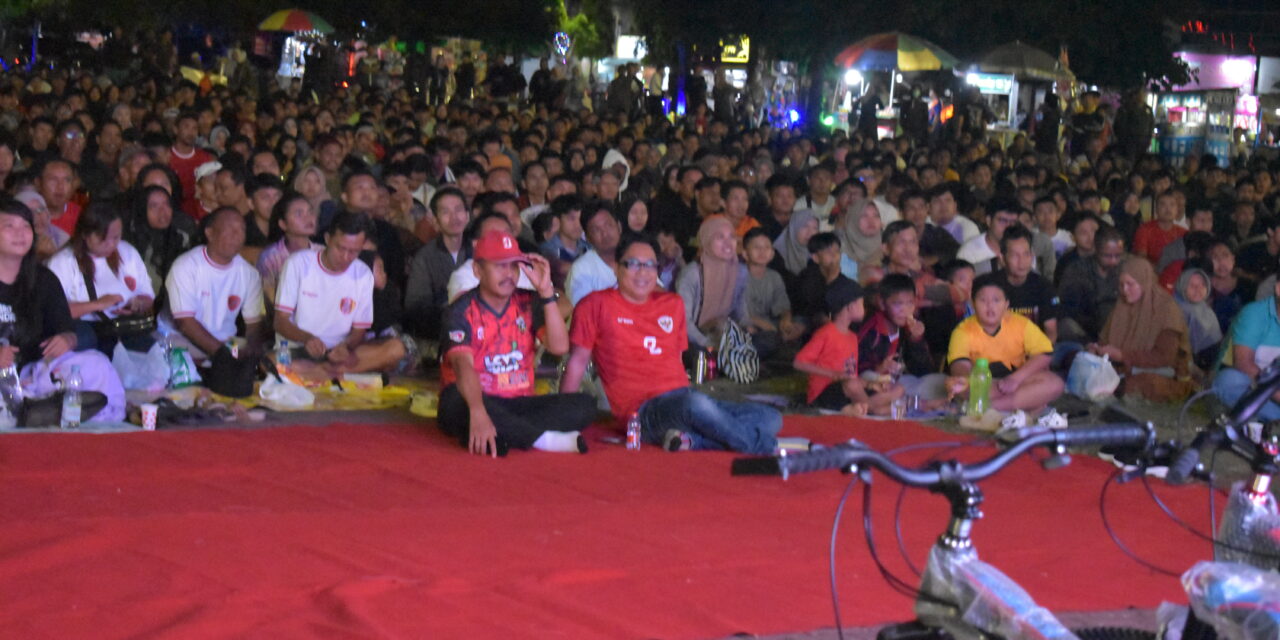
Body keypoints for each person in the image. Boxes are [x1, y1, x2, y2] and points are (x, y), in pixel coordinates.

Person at [562, 235, 782, 454]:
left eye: (650, 265)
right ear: (617, 268)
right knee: (697, 405)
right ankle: (759, 446)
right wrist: (563, 417)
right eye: (633, 264)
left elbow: (675, 359)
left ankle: (690, 441)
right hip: (641, 414)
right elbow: (577, 362)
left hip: (681, 401)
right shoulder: (594, 304)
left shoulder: (672, 304)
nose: (642, 272)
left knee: (771, 418)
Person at [439, 229, 596, 457]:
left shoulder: (528, 302)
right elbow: (463, 367)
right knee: (454, 401)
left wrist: (546, 292)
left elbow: (559, 347)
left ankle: (504, 434)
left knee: (584, 405)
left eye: (513, 266)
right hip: (476, 398)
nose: (509, 274)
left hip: (519, 403)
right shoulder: (460, 310)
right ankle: (543, 440)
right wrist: (478, 411)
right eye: (499, 266)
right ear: (477, 270)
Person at [0, 197, 125, 422]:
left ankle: (98, 429)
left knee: (96, 365)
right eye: (9, 226)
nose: (20, 233)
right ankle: (30, 410)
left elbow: (66, 330)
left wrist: (66, 340)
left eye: (25, 226)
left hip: (34, 373)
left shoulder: (44, 280)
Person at [272, 212, 406, 378]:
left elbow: (359, 330)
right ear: (328, 239)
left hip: (339, 354)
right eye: (340, 248)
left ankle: (322, 372)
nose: (345, 257)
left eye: (354, 251)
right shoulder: (298, 263)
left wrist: (346, 346)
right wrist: (308, 339)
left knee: (396, 349)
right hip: (299, 349)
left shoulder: (363, 273)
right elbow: (280, 321)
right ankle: (333, 374)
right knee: (272, 361)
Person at [47, 202, 155, 356]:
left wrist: (137, 304)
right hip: (85, 328)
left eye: (116, 237)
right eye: (103, 239)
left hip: (122, 326)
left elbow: (148, 296)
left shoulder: (127, 252)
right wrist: (97, 304)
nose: (111, 245)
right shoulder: (63, 262)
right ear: (85, 234)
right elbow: (54, 311)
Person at [946, 274, 1063, 412]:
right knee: (956, 386)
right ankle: (1026, 402)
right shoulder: (963, 330)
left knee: (1055, 383)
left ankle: (988, 407)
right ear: (973, 303)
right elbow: (959, 365)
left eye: (996, 300)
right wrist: (970, 381)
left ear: (1006, 304)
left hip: (1018, 381)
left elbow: (1045, 354)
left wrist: (1014, 379)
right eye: (983, 300)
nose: (990, 306)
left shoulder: (1021, 323)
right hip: (984, 385)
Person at [165, 208, 266, 361]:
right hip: (181, 339)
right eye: (230, 229)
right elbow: (185, 323)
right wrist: (223, 355)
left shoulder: (249, 273)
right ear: (210, 233)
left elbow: (253, 323)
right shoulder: (186, 266)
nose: (237, 235)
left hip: (226, 342)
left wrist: (250, 349)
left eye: (241, 230)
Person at [1088, 257, 1192, 401]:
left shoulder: (1166, 309)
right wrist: (1097, 349)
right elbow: (1105, 339)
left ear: (1144, 282)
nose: (1125, 290)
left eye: (1130, 284)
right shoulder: (1121, 306)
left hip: (1164, 372)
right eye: (1121, 285)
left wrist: (1123, 356)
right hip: (1124, 368)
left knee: (1142, 384)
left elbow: (1165, 357)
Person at [794, 278, 899, 415]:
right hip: (824, 394)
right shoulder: (826, 333)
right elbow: (798, 363)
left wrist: (869, 384)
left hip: (847, 391)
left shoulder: (852, 337)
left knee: (896, 388)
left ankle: (863, 408)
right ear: (850, 307)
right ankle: (873, 409)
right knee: (853, 386)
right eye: (862, 304)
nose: (865, 309)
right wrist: (833, 374)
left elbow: (851, 375)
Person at [856, 273, 947, 404]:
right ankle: (900, 402)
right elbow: (856, 370)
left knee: (942, 381)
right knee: (874, 381)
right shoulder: (872, 329)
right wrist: (880, 368)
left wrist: (916, 340)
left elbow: (923, 371)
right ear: (882, 303)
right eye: (898, 304)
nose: (905, 310)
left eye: (910, 303)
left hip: (898, 383)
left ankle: (902, 401)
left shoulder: (908, 327)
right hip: (873, 382)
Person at [404, 187, 470, 342]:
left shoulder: (479, 249)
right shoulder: (424, 257)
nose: (454, 217)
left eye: (459, 210)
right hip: (443, 324)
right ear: (435, 220)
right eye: (446, 212)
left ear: (467, 216)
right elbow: (415, 305)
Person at [676, 216, 748, 350]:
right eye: (720, 237)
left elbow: (741, 311)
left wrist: (749, 329)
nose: (728, 243)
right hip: (694, 338)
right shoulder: (692, 274)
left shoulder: (739, 271)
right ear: (706, 241)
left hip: (726, 332)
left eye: (732, 237)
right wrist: (706, 343)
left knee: (767, 338)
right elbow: (683, 321)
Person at [1213, 278, 1280, 420]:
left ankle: (1256, 414)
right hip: (1250, 383)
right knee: (1228, 381)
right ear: (1278, 289)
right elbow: (1243, 364)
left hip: (1272, 392)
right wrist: (1276, 393)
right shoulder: (1254, 314)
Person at [1058, 225, 1125, 342]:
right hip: (1086, 330)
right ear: (1096, 250)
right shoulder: (1077, 270)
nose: (1114, 261)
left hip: (1120, 327)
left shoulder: (1126, 269)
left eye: (1117, 256)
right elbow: (1068, 309)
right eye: (1107, 256)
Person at [255, 192, 319, 310]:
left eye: (310, 212)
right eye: (299, 213)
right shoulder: (271, 257)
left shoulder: (322, 253)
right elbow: (268, 301)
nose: (308, 218)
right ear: (283, 224)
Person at [994, 226, 1059, 342]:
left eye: (1026, 254)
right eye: (1015, 255)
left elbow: (1051, 332)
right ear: (1002, 259)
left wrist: (1040, 357)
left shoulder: (1044, 287)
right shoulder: (990, 287)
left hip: (1036, 350)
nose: (1022, 261)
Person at [743, 228, 801, 357]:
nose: (762, 252)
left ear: (772, 254)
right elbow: (733, 312)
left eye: (766, 247)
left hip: (768, 326)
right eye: (756, 247)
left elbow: (783, 306)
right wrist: (763, 325)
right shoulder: (737, 277)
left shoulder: (774, 277)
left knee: (799, 325)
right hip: (746, 327)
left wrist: (786, 320)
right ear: (745, 254)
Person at [125, 185, 194, 289]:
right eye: (154, 206)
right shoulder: (130, 243)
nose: (162, 211)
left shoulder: (183, 238)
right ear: (142, 209)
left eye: (167, 204)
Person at [564, 202, 622, 306]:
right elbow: (584, 313)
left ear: (619, 226)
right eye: (596, 230)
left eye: (608, 225)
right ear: (587, 238)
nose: (605, 233)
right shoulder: (581, 269)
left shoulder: (635, 256)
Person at [1174, 268, 1223, 372]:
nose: (1198, 289)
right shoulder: (1175, 309)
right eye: (1192, 286)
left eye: (1203, 285)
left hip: (1210, 360)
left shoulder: (1202, 307)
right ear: (1182, 286)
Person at [957, 198, 1021, 276]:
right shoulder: (969, 252)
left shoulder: (1023, 247)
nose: (1009, 226)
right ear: (989, 221)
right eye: (1003, 221)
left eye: (1013, 222)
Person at [1132, 191, 1186, 264]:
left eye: (1172, 205)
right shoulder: (1145, 230)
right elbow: (1141, 260)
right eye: (1163, 204)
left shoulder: (1183, 233)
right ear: (1156, 209)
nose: (1168, 209)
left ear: (1177, 210)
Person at [836, 198, 884, 278]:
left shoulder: (888, 249)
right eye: (864, 216)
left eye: (876, 216)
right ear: (853, 219)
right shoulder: (837, 250)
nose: (871, 221)